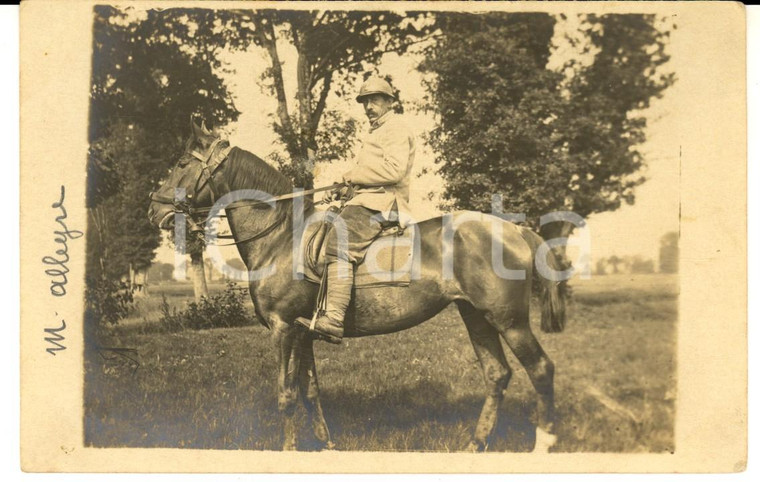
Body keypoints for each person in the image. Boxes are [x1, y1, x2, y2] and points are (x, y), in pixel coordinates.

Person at [307, 76, 416, 344]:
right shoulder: (377, 131)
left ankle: (333, 318)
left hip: (383, 202)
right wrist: (348, 187)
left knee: (338, 240)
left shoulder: (396, 128)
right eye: (365, 101)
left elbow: (394, 170)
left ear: (390, 101)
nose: (369, 105)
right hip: (369, 199)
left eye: (375, 99)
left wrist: (353, 175)